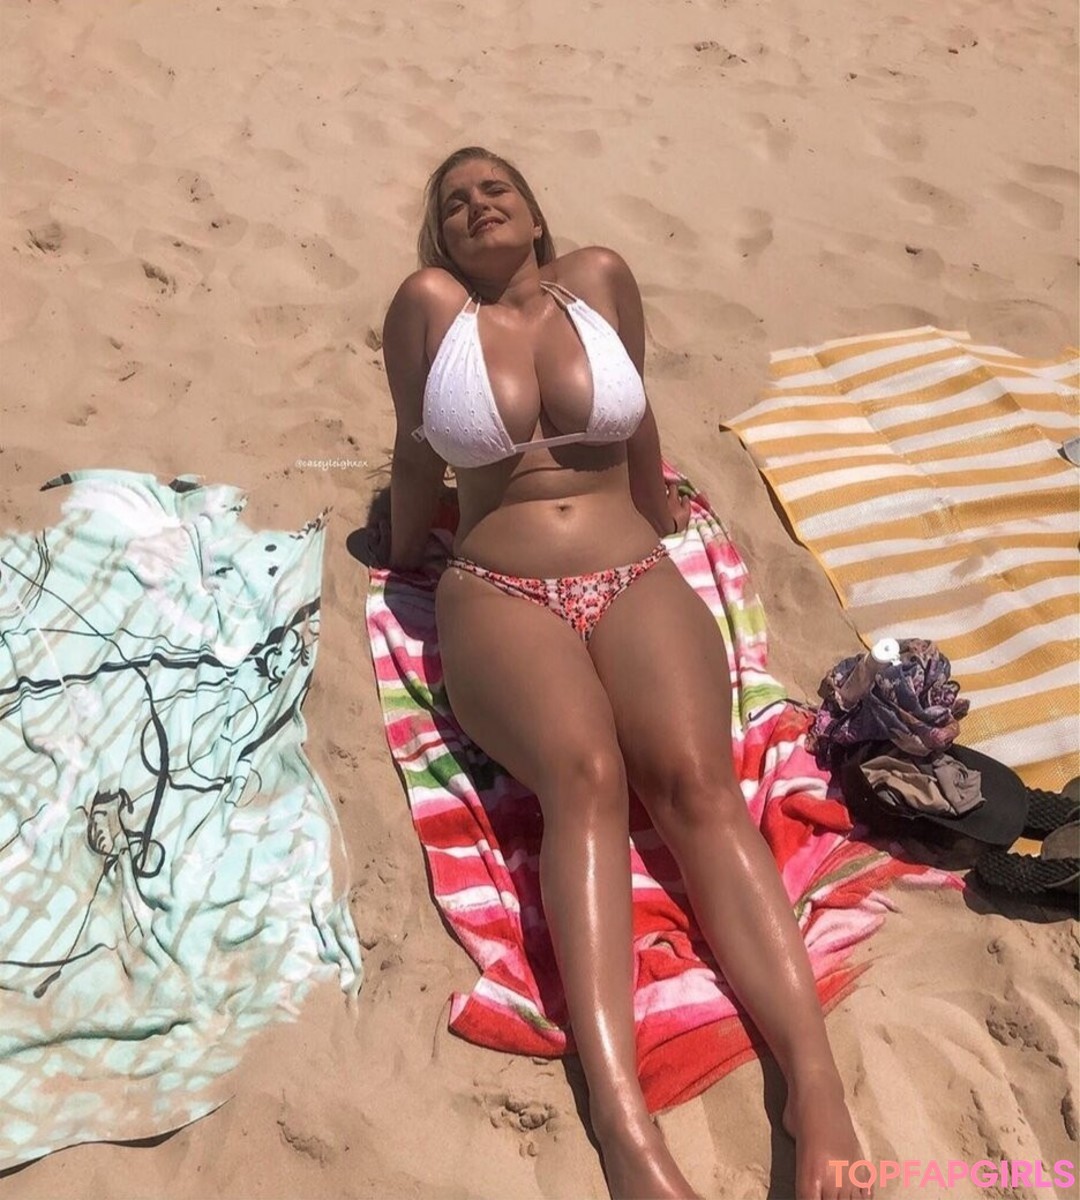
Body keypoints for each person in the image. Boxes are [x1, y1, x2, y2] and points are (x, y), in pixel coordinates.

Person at [378, 145, 871, 1200]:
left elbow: (640, 422)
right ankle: (622, 1119)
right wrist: (401, 549)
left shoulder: (598, 278)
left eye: (496, 189)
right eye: (455, 203)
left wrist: (664, 516)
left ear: (536, 213)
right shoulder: (429, 307)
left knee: (700, 786)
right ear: (440, 239)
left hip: (634, 568)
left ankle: (815, 1084)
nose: (478, 206)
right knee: (585, 780)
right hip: (498, 587)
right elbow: (416, 455)